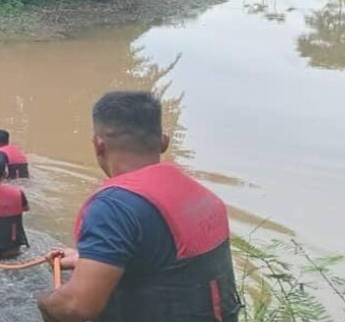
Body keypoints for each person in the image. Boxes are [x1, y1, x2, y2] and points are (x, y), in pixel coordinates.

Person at [36, 92, 240, 322]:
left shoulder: (113, 207)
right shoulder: (203, 196)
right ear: (164, 142)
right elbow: (167, 262)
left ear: (98, 145)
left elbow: (76, 307)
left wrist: (45, 301)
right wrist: (86, 259)